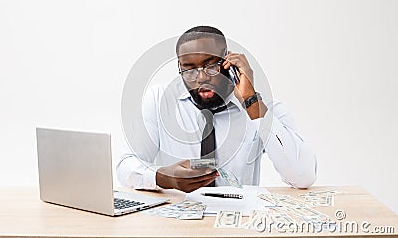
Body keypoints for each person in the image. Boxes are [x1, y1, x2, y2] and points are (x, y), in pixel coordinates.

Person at [117, 26, 317, 192]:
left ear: (227, 62)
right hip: (176, 222)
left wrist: (251, 101)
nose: (201, 77)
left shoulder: (263, 110)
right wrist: (163, 177)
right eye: (189, 69)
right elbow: (125, 166)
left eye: (211, 66)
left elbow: (303, 176)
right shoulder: (159, 100)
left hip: (237, 225)